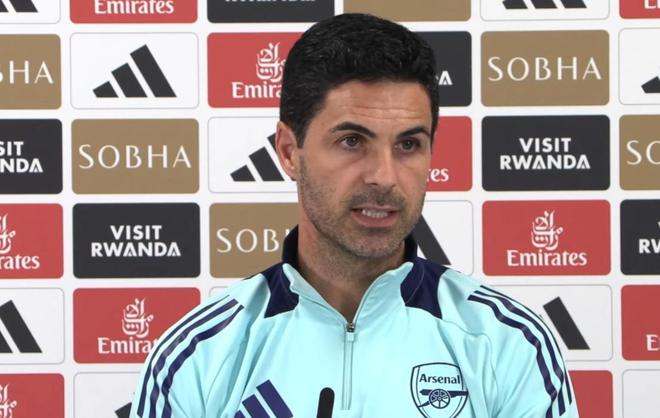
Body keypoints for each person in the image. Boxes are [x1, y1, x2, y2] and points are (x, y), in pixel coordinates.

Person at [131, 13, 578, 418]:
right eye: (351, 141)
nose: (384, 176)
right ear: (288, 151)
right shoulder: (199, 355)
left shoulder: (507, 344)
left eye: (408, 144)